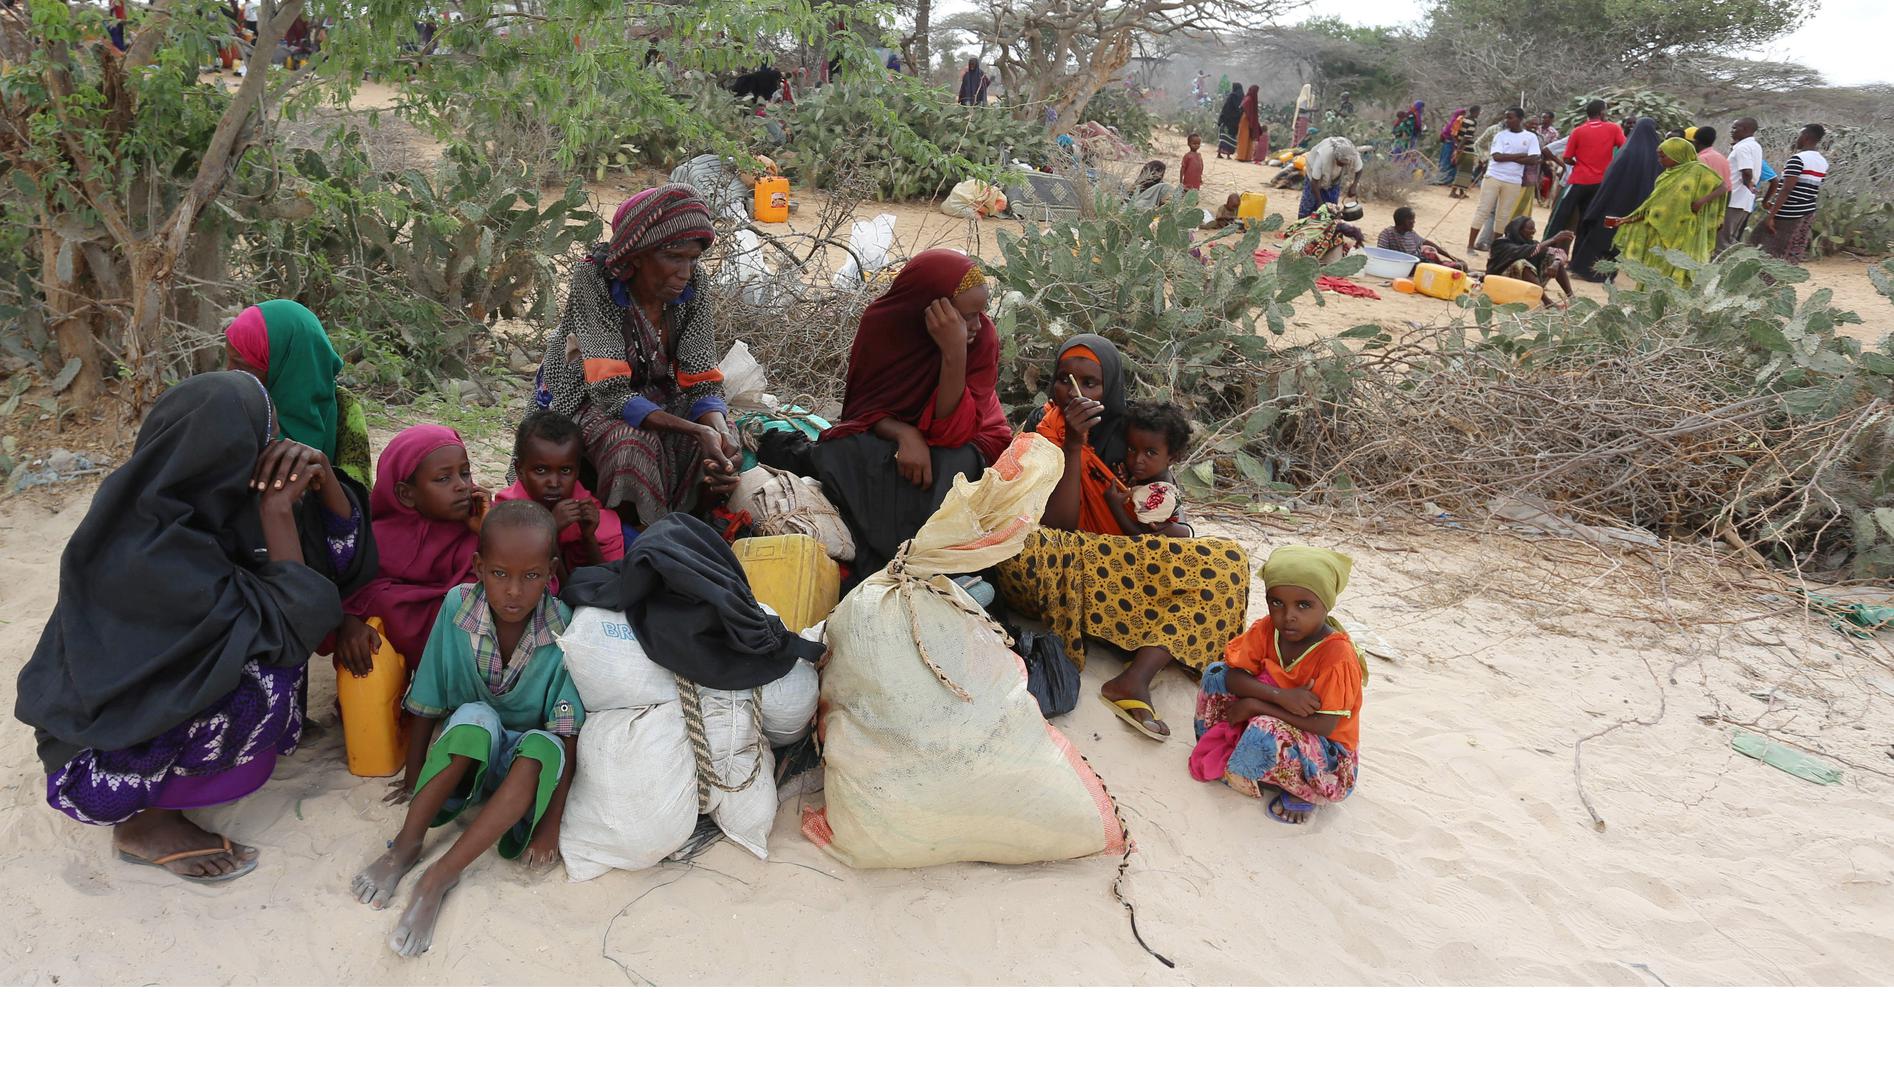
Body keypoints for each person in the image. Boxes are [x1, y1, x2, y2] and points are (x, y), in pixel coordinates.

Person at [15, 372, 350, 881]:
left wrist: (323, 475)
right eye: (266, 439)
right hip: (92, 768)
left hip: (116, 722)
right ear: (224, 451)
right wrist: (278, 510)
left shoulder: (190, 507)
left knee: (266, 630)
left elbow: (339, 566)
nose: (278, 450)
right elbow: (297, 622)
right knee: (268, 668)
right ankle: (143, 826)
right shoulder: (153, 553)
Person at [351, 501, 585, 958]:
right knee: (474, 717)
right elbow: (429, 692)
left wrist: (550, 826)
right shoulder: (457, 606)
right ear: (478, 567)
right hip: (470, 755)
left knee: (543, 746)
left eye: (531, 576)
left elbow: (567, 731)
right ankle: (406, 846)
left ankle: (441, 875)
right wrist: (414, 777)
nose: (514, 590)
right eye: (499, 574)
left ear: (551, 573)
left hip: (521, 772)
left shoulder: (563, 625)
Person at [997, 336, 1251, 742]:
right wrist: (1074, 446)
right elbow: (1057, 527)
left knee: (1229, 562)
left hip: (1118, 561)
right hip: (1052, 561)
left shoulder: (1136, 437)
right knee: (1030, 549)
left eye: (1090, 383)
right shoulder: (1041, 427)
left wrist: (1163, 528)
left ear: (1111, 387)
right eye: (1064, 379)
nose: (1075, 392)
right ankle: (1131, 630)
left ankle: (1135, 678)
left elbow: (1167, 521)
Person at [764, 250, 1009, 581]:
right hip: (897, 436)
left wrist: (954, 353)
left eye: (981, 313)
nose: (978, 325)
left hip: (968, 440)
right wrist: (904, 433)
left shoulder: (981, 339)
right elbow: (864, 409)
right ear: (929, 308)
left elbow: (953, 432)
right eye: (967, 316)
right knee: (841, 452)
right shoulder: (884, 325)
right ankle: (893, 559)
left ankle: (925, 562)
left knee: (950, 466)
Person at [533, 186, 738, 527]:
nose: (685, 272)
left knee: (725, 439)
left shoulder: (694, 286)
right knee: (629, 445)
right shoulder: (595, 280)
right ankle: (633, 537)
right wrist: (696, 430)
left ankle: (692, 528)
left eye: (693, 259)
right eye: (674, 257)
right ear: (638, 255)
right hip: (587, 398)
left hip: (657, 394)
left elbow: (701, 377)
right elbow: (610, 392)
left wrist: (717, 432)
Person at [342, 424, 484, 796]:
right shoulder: (376, 540)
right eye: (444, 478)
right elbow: (352, 591)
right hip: (401, 651)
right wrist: (348, 622)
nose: (462, 486)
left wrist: (487, 531)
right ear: (406, 494)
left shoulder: (474, 532)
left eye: (465, 473)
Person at [1188, 546, 1364, 825]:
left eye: (1303, 605)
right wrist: (1280, 696)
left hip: (1325, 754)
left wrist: (1257, 706)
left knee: (1266, 727)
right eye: (1277, 603)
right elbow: (1233, 677)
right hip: (1280, 712)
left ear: (1326, 605)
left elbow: (1324, 725)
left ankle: (1303, 791)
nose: (1288, 615)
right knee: (1215, 674)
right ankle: (1236, 754)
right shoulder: (1268, 629)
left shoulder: (1337, 656)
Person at [224, 299, 372, 490]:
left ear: (288, 365)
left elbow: (359, 499)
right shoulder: (231, 406)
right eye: (229, 360)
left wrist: (323, 471)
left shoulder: (345, 409)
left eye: (241, 365)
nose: (229, 372)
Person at [493, 410, 626, 586]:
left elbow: (609, 584)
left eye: (565, 470)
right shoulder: (507, 513)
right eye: (541, 470)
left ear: (577, 471)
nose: (554, 483)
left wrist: (589, 537)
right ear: (519, 470)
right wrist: (550, 532)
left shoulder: (584, 507)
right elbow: (552, 590)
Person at [1603, 137, 1725, 286]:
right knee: (1655, 270)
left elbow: (1723, 187)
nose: (1659, 160)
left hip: (1684, 233)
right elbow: (1651, 207)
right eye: (1659, 156)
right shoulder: (1665, 176)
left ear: (1677, 154)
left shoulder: (1698, 170)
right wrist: (1625, 220)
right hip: (1660, 232)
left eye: (1663, 156)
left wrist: (1701, 202)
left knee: (1677, 268)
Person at [1570, 117, 1661, 282]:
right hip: (1636, 208)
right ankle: (1607, 274)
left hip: (1613, 204)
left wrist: (1598, 202)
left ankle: (1587, 271)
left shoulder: (1627, 152)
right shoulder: (1657, 156)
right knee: (1618, 240)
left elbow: (1610, 179)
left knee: (1601, 234)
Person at [1469, 107, 1541, 254]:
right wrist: (1521, 155)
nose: (1506, 120)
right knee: (1483, 210)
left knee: (1503, 215)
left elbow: (1534, 159)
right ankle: (1470, 245)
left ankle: (1494, 249)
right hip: (1494, 176)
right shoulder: (1500, 135)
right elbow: (1497, 157)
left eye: (1510, 117)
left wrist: (1508, 156)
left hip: (1513, 180)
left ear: (1520, 119)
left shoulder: (1530, 137)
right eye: (1506, 117)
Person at [1547, 99, 1624, 237]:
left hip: (1579, 180)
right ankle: (1580, 249)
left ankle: (1547, 245)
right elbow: (1624, 149)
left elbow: (1567, 158)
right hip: (1600, 182)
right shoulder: (1614, 128)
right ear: (1602, 112)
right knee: (1587, 219)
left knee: (1561, 216)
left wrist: (1579, 164)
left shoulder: (1577, 131)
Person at [1755, 124, 1829, 265]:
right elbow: (1809, 188)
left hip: (1789, 213)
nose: (1797, 139)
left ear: (1806, 137)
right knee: (1793, 248)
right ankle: (1786, 275)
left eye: (1799, 135)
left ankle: (1767, 277)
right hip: (1807, 211)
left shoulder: (1797, 159)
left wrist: (1771, 215)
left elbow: (1787, 189)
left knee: (1767, 247)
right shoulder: (1822, 162)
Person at [1115, 401, 1191, 537]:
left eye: (1150, 453)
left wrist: (1115, 506)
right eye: (1132, 449)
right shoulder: (1154, 475)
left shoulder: (1159, 494)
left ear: (1172, 458)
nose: (1138, 460)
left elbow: (1140, 536)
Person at [1486, 217, 1577, 305]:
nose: (1534, 231)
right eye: (1530, 229)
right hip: (1501, 284)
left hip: (1528, 287)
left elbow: (1559, 252)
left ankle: (1572, 297)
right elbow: (1524, 251)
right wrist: (1553, 239)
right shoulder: (1501, 244)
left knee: (1554, 259)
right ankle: (1547, 302)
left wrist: (1556, 263)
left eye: (1534, 228)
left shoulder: (1531, 243)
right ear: (1518, 230)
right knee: (1521, 264)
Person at [1719, 117, 1763, 252]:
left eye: (1735, 128)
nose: (1731, 131)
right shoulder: (1755, 146)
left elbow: (1747, 171)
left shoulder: (1742, 148)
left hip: (1734, 198)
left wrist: (1748, 184)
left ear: (1745, 129)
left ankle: (1720, 265)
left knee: (1722, 241)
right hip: (1743, 200)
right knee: (1730, 239)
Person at [1377, 206, 1466, 271]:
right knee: (1455, 268)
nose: (1414, 222)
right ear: (1402, 221)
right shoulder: (1387, 234)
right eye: (1411, 219)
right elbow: (1381, 255)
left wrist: (1452, 257)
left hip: (1421, 262)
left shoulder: (1411, 233)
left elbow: (1427, 243)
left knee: (1462, 265)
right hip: (1408, 266)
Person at [1297, 134, 1362, 219]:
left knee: (1332, 208)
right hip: (1313, 173)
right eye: (1340, 163)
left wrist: (1354, 186)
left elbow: (1359, 169)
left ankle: (1328, 223)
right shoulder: (1323, 156)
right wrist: (1320, 203)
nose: (1342, 165)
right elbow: (1314, 182)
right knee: (1309, 204)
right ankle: (1303, 222)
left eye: (1345, 164)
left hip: (1334, 178)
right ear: (1336, 157)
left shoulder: (1353, 154)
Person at [1283, 203, 1366, 265]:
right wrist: (1359, 240)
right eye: (1336, 208)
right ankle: (1326, 262)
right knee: (1337, 237)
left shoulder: (1312, 219)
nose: (1338, 208)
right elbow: (1353, 232)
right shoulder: (1332, 225)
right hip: (1297, 259)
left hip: (1286, 252)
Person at [1434, 105, 1472, 183]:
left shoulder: (1455, 121)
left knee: (1452, 161)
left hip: (1449, 143)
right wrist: (1457, 143)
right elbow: (1452, 133)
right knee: (1447, 161)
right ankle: (1443, 179)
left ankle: (1448, 179)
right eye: (1462, 114)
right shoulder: (1456, 122)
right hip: (1450, 143)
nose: (1463, 116)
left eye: (1464, 114)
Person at [1448, 111, 1481, 199]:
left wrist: (1457, 145)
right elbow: (1467, 137)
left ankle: (1461, 192)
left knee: (1461, 170)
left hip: (1460, 146)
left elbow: (1454, 133)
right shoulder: (1472, 122)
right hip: (1467, 148)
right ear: (1475, 112)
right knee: (1465, 171)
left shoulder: (1462, 120)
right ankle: (1453, 192)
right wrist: (1460, 147)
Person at [1693, 126, 1731, 196]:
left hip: (1705, 199)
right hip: (1723, 198)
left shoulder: (1700, 160)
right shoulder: (1722, 158)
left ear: (1696, 142)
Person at [1216, 83, 1243, 159]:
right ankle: (1228, 154)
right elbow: (1241, 109)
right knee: (1232, 138)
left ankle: (1219, 153)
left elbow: (1225, 108)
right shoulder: (1242, 97)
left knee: (1224, 137)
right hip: (1236, 122)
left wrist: (1221, 119)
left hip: (1227, 121)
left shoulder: (1231, 96)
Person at [1236, 85, 1261, 162]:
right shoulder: (1249, 99)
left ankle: (1247, 157)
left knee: (1249, 139)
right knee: (1244, 137)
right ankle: (1241, 156)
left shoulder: (1250, 99)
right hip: (1246, 120)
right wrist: (1252, 122)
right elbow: (1246, 110)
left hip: (1248, 120)